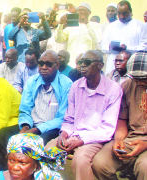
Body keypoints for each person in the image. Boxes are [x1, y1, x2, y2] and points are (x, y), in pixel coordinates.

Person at [45, 50, 123, 180]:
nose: (82, 66)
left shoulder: (113, 89)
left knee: (80, 158)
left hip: (96, 138)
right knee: (49, 149)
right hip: (73, 135)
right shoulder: (76, 86)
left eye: (87, 62)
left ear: (100, 65)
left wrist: (81, 141)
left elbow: (107, 129)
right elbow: (69, 119)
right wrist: (63, 134)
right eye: (81, 62)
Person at [0, 50, 72, 171]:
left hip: (52, 128)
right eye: (41, 63)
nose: (44, 67)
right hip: (32, 124)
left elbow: (63, 117)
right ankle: (6, 174)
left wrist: (35, 130)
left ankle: (33, 175)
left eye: (49, 64)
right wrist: (25, 127)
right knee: (1, 135)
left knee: (35, 142)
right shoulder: (33, 81)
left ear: (57, 65)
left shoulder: (66, 84)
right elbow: (25, 108)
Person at [92, 51, 147, 180]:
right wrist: (118, 140)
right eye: (135, 78)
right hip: (131, 139)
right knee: (100, 163)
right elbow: (122, 119)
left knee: (144, 166)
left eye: (144, 78)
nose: (139, 82)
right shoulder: (128, 85)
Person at [0, 133, 67, 180]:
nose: (15, 168)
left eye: (22, 163)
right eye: (11, 160)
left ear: (36, 165)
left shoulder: (50, 178)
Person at [101, 1, 147, 74]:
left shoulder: (141, 26)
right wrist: (111, 47)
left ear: (130, 11)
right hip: (113, 63)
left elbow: (144, 47)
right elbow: (103, 46)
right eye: (119, 13)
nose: (121, 16)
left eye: (125, 13)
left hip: (133, 63)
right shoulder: (111, 27)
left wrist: (127, 49)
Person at [55, 3, 102, 67]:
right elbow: (58, 39)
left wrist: (87, 23)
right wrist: (60, 24)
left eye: (83, 10)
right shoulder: (72, 25)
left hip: (86, 63)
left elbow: (97, 41)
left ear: (89, 13)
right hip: (71, 62)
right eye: (79, 10)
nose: (81, 12)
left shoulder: (96, 25)